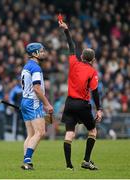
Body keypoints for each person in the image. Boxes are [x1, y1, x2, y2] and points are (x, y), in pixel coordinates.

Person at [58, 19, 103, 170]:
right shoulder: (92, 72)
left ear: (82, 57)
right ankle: (86, 160)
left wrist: (66, 30)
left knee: (70, 134)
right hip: (82, 105)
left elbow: (71, 45)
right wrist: (99, 109)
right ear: (93, 60)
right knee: (92, 131)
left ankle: (69, 166)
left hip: (69, 103)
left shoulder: (73, 63)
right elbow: (95, 91)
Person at [20, 43, 53, 170]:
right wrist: (47, 104)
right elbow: (37, 89)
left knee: (31, 134)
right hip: (33, 102)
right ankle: (27, 161)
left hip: (25, 101)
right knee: (40, 132)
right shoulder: (36, 68)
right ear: (35, 54)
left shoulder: (26, 66)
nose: (44, 52)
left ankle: (26, 161)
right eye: (41, 51)